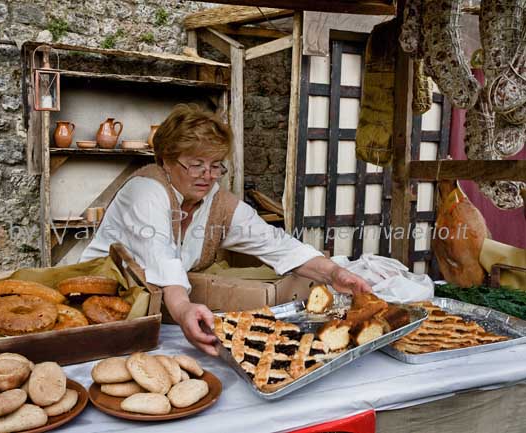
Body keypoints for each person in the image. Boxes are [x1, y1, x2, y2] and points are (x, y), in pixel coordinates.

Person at [80, 104, 371, 356]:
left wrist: (334, 273)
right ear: (166, 161)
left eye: (216, 166)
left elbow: (276, 243)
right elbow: (162, 257)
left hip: (157, 312)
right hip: (97, 304)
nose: (207, 176)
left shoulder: (217, 203)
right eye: (196, 165)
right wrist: (184, 309)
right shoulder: (147, 190)